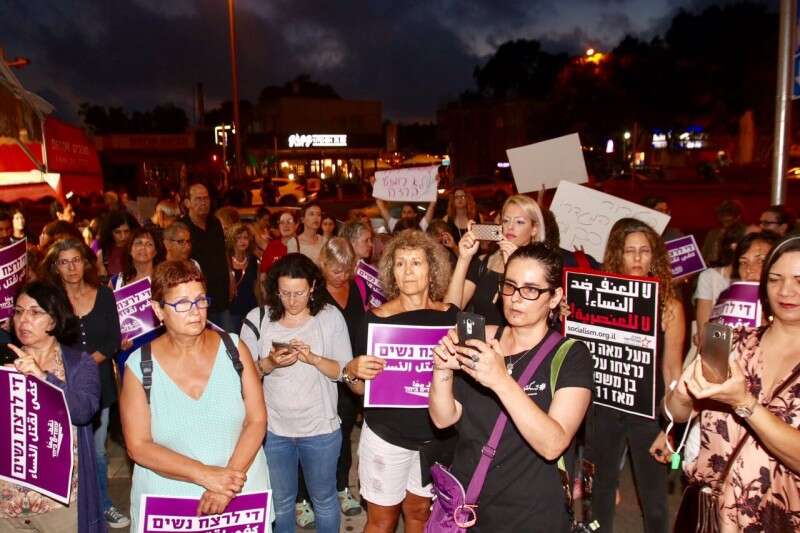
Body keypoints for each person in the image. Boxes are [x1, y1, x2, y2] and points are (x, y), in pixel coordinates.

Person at [429, 243, 593, 532]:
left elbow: (553, 444)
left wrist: (501, 380)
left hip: (530, 514)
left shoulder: (571, 355)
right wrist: (441, 370)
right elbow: (443, 418)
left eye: (531, 290)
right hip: (468, 505)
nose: (516, 299)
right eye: (510, 286)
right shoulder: (481, 338)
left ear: (555, 297)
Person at [120, 260, 270, 533]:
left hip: (238, 493)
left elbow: (257, 420)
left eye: (201, 301)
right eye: (181, 303)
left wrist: (226, 485)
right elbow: (138, 446)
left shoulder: (233, 348)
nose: (195, 312)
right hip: (171, 503)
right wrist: (207, 476)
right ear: (158, 310)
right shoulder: (139, 365)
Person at [666, 234, 800, 531]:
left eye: (799, 280)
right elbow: (678, 414)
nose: (786, 290)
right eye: (775, 279)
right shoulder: (733, 343)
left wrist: (744, 402)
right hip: (709, 515)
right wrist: (686, 393)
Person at [343, 230, 456, 533]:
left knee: (419, 514)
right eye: (400, 263)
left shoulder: (451, 318)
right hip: (386, 435)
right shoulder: (376, 319)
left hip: (434, 438)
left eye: (416, 263)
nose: (408, 271)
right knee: (382, 521)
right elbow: (360, 388)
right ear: (391, 271)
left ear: (432, 269)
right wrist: (352, 371)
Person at [586, 218, 685, 533]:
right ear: (618, 255)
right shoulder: (599, 297)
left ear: (654, 255)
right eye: (630, 251)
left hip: (647, 412)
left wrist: (672, 429)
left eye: (645, 251)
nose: (638, 258)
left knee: (654, 498)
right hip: (603, 406)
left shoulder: (669, 305)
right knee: (600, 490)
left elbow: (673, 371)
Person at [240, 253, 352, 533]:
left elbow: (344, 371)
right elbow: (242, 376)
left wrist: (313, 358)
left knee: (324, 500)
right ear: (275, 289)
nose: (292, 300)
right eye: (285, 293)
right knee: (281, 501)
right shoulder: (259, 318)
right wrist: (269, 363)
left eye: (299, 293)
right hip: (274, 430)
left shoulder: (329, 317)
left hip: (320, 428)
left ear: (313, 287)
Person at [0, 281, 104, 532]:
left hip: (58, 504)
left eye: (35, 312)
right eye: (18, 311)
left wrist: (44, 377)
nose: (23, 319)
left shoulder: (79, 364)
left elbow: (83, 412)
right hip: (7, 505)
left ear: (54, 320)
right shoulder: (4, 361)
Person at [41, 238, 128, 528]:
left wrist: (85, 367)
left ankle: (102, 505)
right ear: (56, 267)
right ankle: (68, 506)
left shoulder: (103, 295)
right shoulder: (50, 300)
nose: (71, 267)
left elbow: (112, 340)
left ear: (86, 262)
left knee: (98, 451)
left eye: (76, 260)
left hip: (97, 387)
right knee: (63, 451)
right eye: (64, 262)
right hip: (57, 386)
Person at [318, 238, 369, 516]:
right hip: (325, 372)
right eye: (336, 270)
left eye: (347, 269)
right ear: (323, 264)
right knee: (320, 437)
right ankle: (313, 494)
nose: (342, 276)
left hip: (354, 373)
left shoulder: (358, 285)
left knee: (345, 432)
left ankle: (341, 487)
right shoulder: (314, 291)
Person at [445, 194, 547, 326]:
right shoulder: (483, 262)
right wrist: (464, 258)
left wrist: (512, 267)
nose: (510, 227)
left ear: (534, 229)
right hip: (476, 343)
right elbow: (450, 310)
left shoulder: (540, 269)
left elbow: (519, 318)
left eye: (519, 222)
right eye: (505, 220)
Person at [182, 183, 232, 330]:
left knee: (228, 339)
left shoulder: (215, 222)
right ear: (187, 203)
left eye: (206, 198)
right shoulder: (182, 227)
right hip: (198, 298)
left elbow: (224, 252)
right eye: (198, 199)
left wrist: (231, 275)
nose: (203, 202)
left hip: (221, 294)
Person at [226, 223, 259, 332]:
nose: (242, 241)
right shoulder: (225, 260)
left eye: (245, 238)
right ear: (232, 240)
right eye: (238, 238)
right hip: (231, 311)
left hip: (250, 309)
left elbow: (256, 285)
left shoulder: (253, 259)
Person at [97, 210, 139, 279]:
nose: (123, 236)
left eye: (126, 231)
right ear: (109, 233)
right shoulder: (103, 255)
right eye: (117, 232)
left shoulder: (140, 251)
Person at [259, 210, 300, 276]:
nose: (285, 225)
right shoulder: (272, 246)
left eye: (289, 222)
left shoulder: (303, 244)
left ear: (296, 225)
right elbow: (263, 275)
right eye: (282, 222)